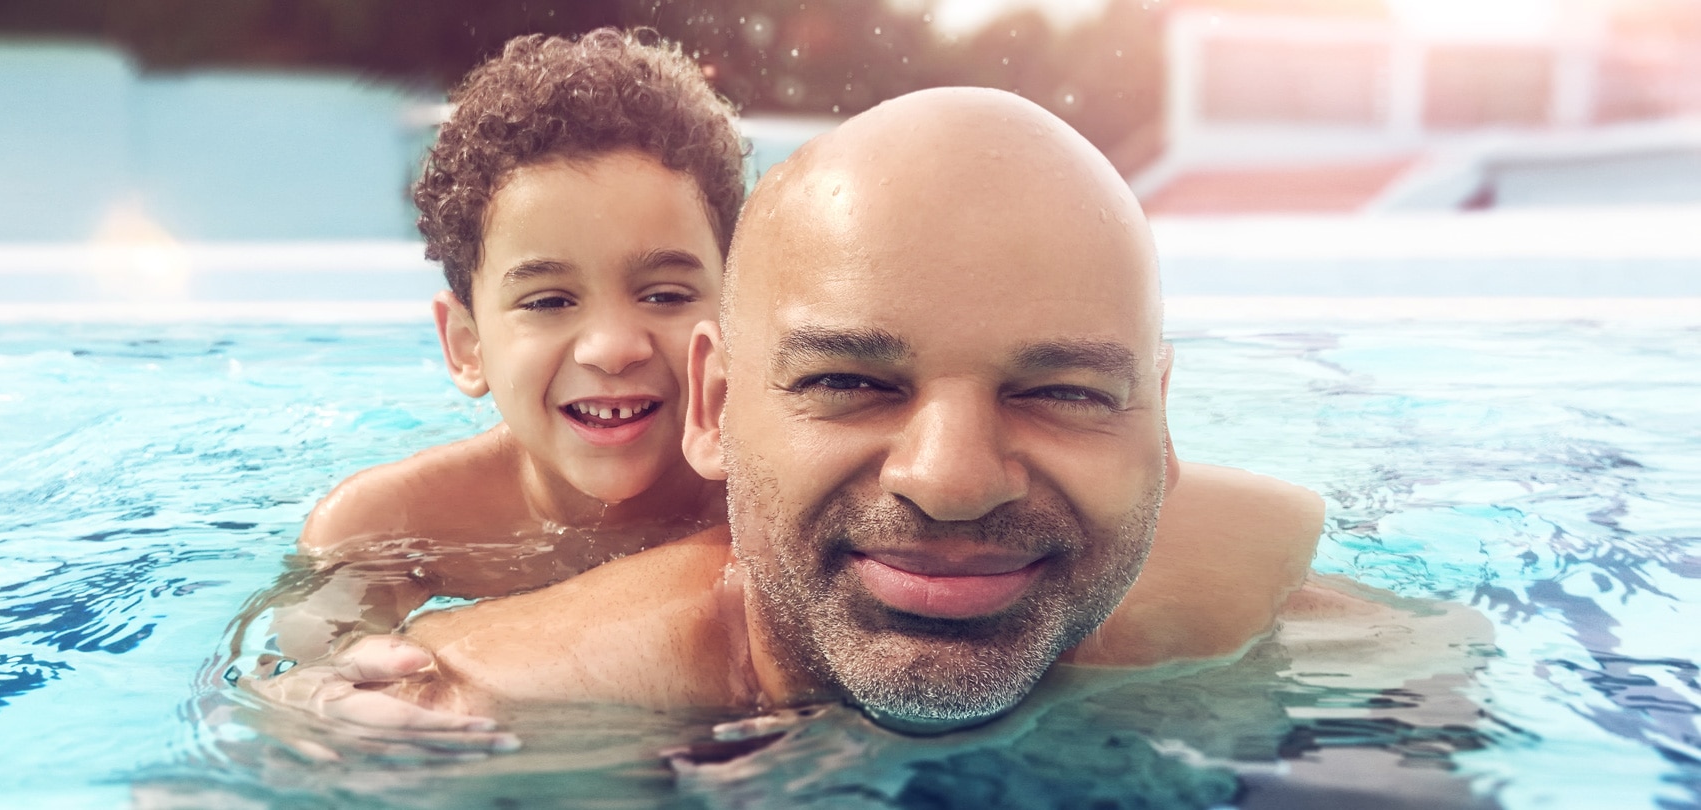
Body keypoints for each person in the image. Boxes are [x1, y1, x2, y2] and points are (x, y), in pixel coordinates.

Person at [278, 87, 1335, 737]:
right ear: (719, 406)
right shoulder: (408, 549)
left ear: (1160, 427)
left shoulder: (1261, 576)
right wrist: (315, 693)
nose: (950, 478)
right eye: (847, 382)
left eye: (1061, 390)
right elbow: (308, 668)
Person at [279, 28, 746, 662]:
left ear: (740, 311)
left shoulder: (764, 503)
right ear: (467, 347)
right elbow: (297, 687)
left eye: (664, 295)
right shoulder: (387, 528)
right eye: (549, 301)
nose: (612, 349)